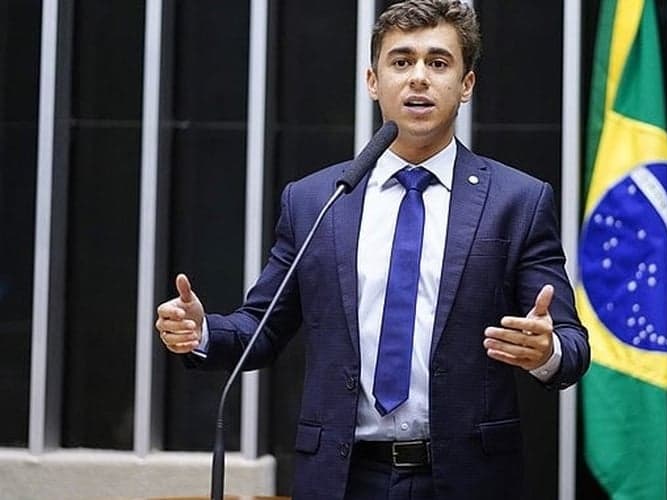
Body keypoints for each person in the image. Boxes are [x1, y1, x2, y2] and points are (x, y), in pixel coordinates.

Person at [155, 1, 589, 498]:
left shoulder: (518, 200)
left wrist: (545, 351)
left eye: (438, 62)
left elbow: (572, 346)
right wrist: (201, 330)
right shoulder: (317, 200)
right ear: (373, 81)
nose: (419, 78)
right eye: (401, 62)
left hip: (469, 477)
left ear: (466, 85)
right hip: (342, 477)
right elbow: (261, 329)